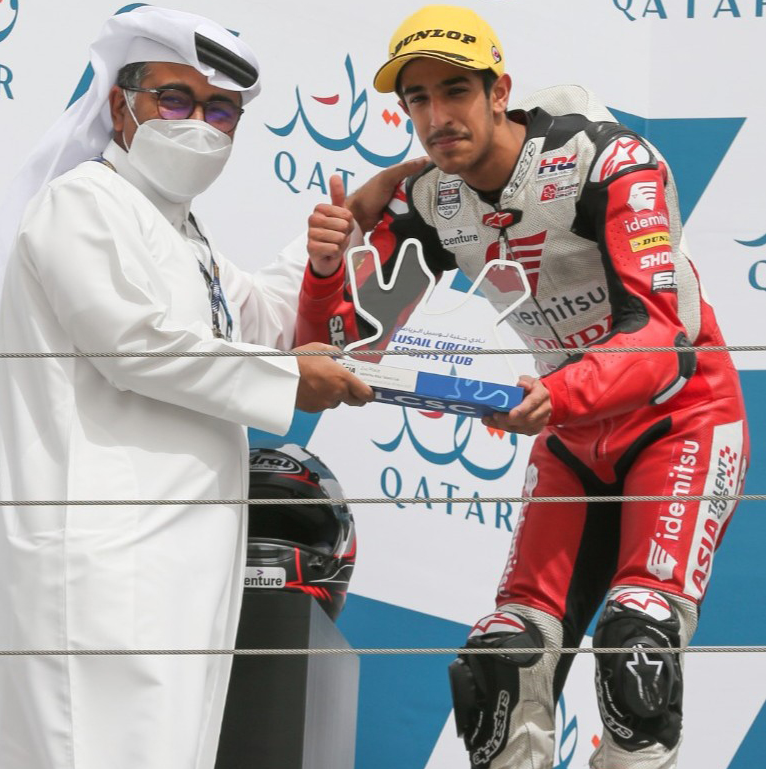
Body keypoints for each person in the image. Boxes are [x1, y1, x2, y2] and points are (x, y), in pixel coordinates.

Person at [295, 5, 749, 768]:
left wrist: (562, 395)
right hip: (572, 437)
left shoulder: (609, 162)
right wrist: (324, 266)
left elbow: (665, 340)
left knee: (635, 643)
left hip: (681, 420)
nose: (437, 116)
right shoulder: (433, 202)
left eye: (455, 91)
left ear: (498, 89)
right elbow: (337, 355)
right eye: (417, 100)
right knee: (502, 659)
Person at [0, 7, 373, 769]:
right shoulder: (82, 202)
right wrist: (290, 377)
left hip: (183, 566)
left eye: (221, 111)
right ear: (121, 105)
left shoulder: (185, 237)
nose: (199, 125)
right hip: (100, 559)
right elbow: (135, 346)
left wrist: (333, 243)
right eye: (175, 100)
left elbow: (257, 318)